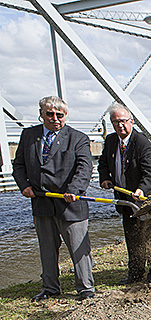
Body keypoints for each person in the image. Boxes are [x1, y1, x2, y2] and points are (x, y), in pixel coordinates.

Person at [13, 96, 95, 301]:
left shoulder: (78, 138)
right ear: (41, 114)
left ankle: (86, 290)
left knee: (79, 249)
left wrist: (75, 189)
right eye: (50, 114)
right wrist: (24, 186)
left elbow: (85, 168)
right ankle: (50, 288)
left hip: (70, 203)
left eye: (60, 115)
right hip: (41, 201)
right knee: (47, 248)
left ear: (66, 116)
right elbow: (19, 165)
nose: (55, 118)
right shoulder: (29, 135)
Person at [99, 103, 151, 284]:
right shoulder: (111, 141)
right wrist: (105, 177)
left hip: (146, 199)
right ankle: (135, 274)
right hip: (125, 200)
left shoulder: (142, 142)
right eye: (115, 122)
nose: (120, 125)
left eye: (123, 121)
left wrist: (142, 187)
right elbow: (103, 162)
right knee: (132, 238)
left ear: (131, 121)